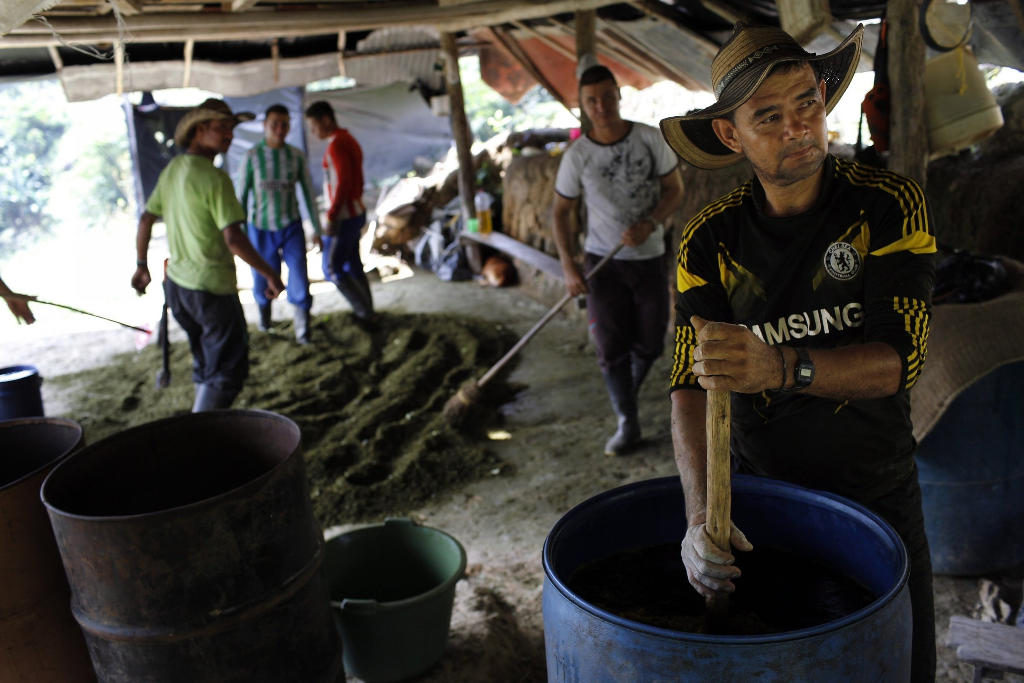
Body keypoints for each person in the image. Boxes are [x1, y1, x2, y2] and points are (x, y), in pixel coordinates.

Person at [660, 24, 936, 681]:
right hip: (763, 504)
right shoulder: (709, 241)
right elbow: (688, 384)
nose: (797, 128)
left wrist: (780, 366)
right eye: (770, 116)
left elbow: (903, 359)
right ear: (731, 135)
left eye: (807, 103)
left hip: (878, 494)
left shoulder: (887, 206)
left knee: (903, 667)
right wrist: (701, 518)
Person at [552, 65, 684, 456]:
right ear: (583, 105)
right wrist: (568, 265)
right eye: (592, 100)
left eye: (608, 97)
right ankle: (627, 421)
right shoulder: (578, 156)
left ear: (618, 96)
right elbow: (560, 212)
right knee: (610, 347)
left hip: (649, 257)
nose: (601, 106)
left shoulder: (649, 138)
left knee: (651, 344)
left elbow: (675, 190)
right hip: (602, 263)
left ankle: (626, 390)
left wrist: (651, 222)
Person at [131, 98, 285, 412]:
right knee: (227, 372)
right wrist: (269, 272)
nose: (229, 135)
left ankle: (202, 425)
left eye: (232, 129)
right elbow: (233, 238)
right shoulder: (216, 179)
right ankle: (202, 430)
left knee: (206, 361)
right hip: (212, 290)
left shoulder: (173, 169)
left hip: (178, 289)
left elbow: (146, 218)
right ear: (200, 131)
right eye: (222, 128)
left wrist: (141, 266)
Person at [237, 103, 322, 344]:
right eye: (274, 124)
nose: (279, 129)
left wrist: (316, 229)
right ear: (265, 126)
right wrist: (240, 234)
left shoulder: (295, 156)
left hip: (291, 227)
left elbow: (307, 194)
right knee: (263, 277)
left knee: (299, 276)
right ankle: (265, 326)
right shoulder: (252, 157)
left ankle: (304, 332)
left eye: (284, 124)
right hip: (261, 229)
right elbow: (241, 197)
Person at [303, 100, 374, 322]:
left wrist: (332, 215)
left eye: (314, 126)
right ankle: (368, 310)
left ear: (326, 120)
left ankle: (363, 312)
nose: (313, 132)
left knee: (332, 268)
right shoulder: (347, 139)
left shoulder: (337, 145)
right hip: (355, 210)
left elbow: (342, 182)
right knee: (353, 264)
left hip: (345, 215)